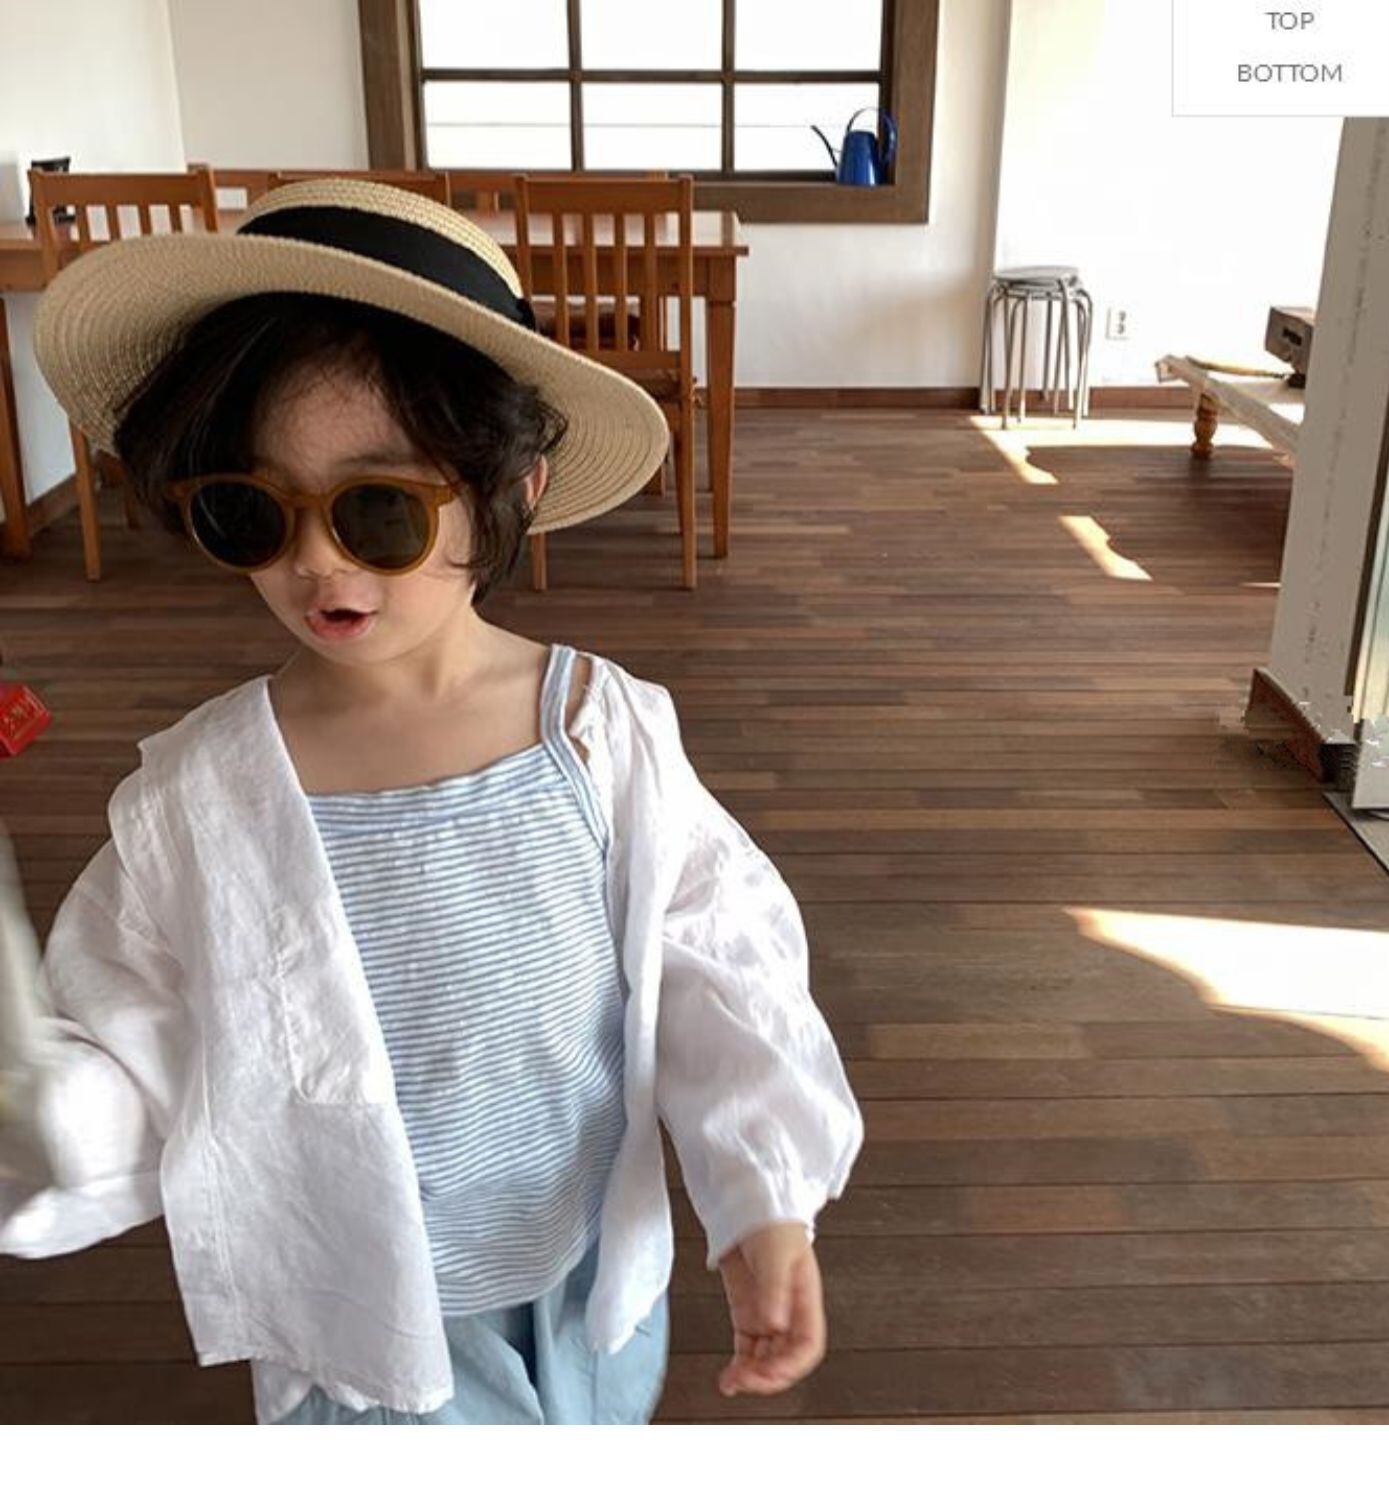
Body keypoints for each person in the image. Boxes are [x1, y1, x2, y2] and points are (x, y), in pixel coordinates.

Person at [0, 178, 863, 1424]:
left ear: (514, 487)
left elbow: (719, 961)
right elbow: (122, 1057)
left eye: (379, 509)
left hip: (585, 1281)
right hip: (364, 1328)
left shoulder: (599, 730)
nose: (315, 560)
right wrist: (35, 1096)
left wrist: (762, 1192)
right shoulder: (199, 799)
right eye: (252, 510)